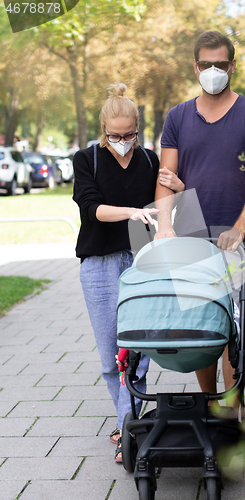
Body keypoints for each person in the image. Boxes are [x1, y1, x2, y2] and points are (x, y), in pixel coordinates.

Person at [154, 31, 245, 408]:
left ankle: (233, 408)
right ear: (195, 66)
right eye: (205, 64)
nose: (212, 71)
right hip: (191, 239)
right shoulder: (177, 117)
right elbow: (165, 180)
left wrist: (239, 229)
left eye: (220, 64)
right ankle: (210, 409)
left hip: (237, 239)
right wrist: (166, 225)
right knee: (200, 329)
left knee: (237, 333)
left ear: (232, 66)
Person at [73, 83, 163, 463]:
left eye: (130, 134)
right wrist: (129, 211)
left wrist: (176, 189)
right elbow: (91, 208)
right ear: (103, 131)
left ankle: (131, 422)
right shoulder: (87, 159)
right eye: (116, 136)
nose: (123, 141)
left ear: (138, 128)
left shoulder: (150, 160)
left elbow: (164, 208)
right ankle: (127, 419)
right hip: (100, 262)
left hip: (140, 258)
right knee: (112, 352)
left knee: (139, 347)